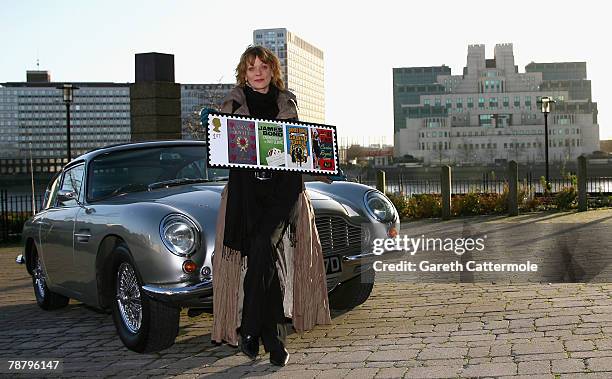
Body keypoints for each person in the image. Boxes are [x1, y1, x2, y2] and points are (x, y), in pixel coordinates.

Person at [209, 45, 332, 367]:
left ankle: (249, 328)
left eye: (264, 65)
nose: (258, 72)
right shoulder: (231, 105)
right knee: (263, 264)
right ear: (244, 73)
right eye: (251, 68)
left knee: (263, 246)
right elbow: (226, 154)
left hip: (282, 193)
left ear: (272, 70)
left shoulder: (287, 102)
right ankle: (274, 341)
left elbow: (300, 152)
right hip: (246, 195)